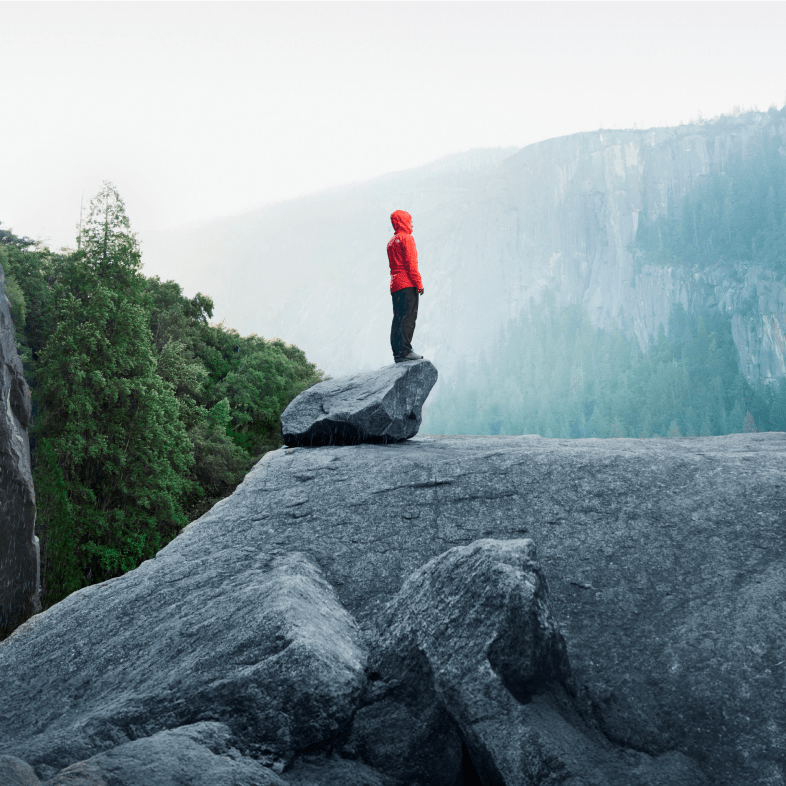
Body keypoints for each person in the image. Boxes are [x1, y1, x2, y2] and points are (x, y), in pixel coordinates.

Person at [387, 209, 424, 363]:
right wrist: (419, 284)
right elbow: (411, 264)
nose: (412, 223)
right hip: (407, 283)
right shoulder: (407, 239)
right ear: (404, 221)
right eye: (410, 220)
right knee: (409, 317)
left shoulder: (391, 241)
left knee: (398, 318)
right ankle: (406, 351)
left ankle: (398, 353)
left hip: (395, 285)